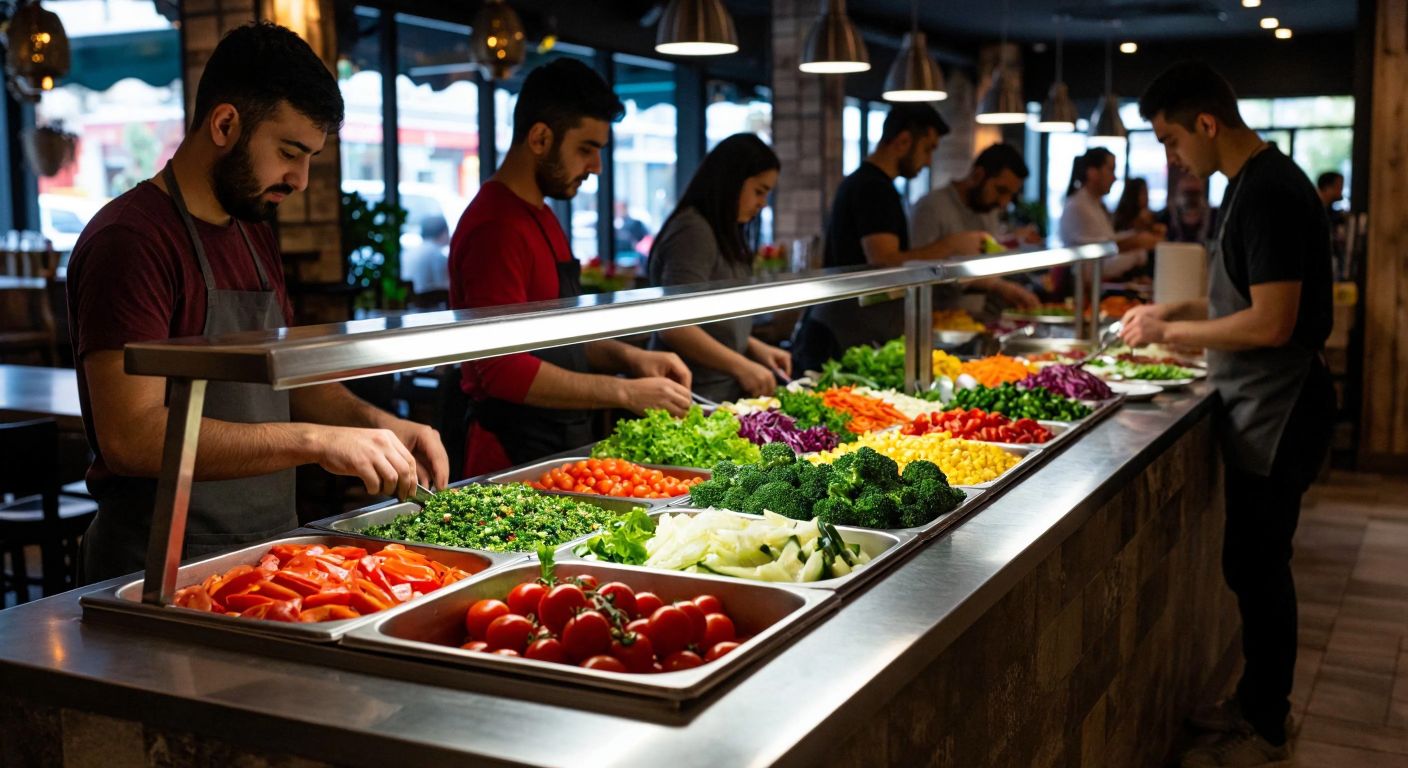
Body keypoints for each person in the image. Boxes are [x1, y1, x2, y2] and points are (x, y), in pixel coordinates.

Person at [66, 23, 449, 583]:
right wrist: (317, 443)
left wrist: (380, 425)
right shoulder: (130, 239)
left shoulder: (251, 226)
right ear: (225, 124)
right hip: (160, 568)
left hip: (268, 556)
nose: (301, 178)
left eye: (311, 156)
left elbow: (283, 381)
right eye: (290, 152)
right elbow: (133, 436)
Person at [1120, 61, 1334, 768]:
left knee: (1261, 567)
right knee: (1252, 564)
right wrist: (1177, 310)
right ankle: (1256, 703)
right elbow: (1246, 298)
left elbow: (1273, 323)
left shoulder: (1269, 190)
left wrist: (1170, 337)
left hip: (1282, 408)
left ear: (1207, 123)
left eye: (1172, 140)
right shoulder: (1249, 184)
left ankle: (1266, 721)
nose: (1171, 159)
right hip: (1265, 403)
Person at [449, 59, 692, 477]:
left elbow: (560, 335)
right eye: (586, 149)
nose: (596, 166)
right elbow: (502, 370)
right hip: (511, 452)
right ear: (541, 137)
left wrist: (631, 358)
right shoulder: (495, 226)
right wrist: (625, 392)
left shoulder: (543, 215)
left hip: (556, 443)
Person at [791, 103, 991, 373]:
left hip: (844, 329)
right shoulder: (874, 188)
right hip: (841, 333)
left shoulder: (867, 183)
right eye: (928, 148)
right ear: (903, 141)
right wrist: (951, 245)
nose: (929, 160)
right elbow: (884, 260)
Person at [647, 134, 791, 402]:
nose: (762, 203)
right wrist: (741, 365)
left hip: (717, 394)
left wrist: (755, 348)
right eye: (759, 191)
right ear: (732, 181)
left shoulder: (721, 230)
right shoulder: (693, 231)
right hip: (690, 397)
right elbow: (674, 325)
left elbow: (713, 321)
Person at [908, 142, 1043, 311]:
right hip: (936, 320)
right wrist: (999, 287)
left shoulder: (987, 210)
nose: (1003, 203)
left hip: (977, 319)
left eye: (1010, 195)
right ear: (978, 175)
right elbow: (916, 273)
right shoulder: (931, 207)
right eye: (1001, 190)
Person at [402, 214, 450, 296]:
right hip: (428, 305)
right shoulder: (437, 255)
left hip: (410, 303)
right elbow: (444, 288)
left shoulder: (409, 252)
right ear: (443, 233)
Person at [1163, 173, 1217, 243]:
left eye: (1195, 193)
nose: (1191, 199)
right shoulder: (1166, 217)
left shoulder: (1215, 217)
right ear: (1178, 193)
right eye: (1187, 193)